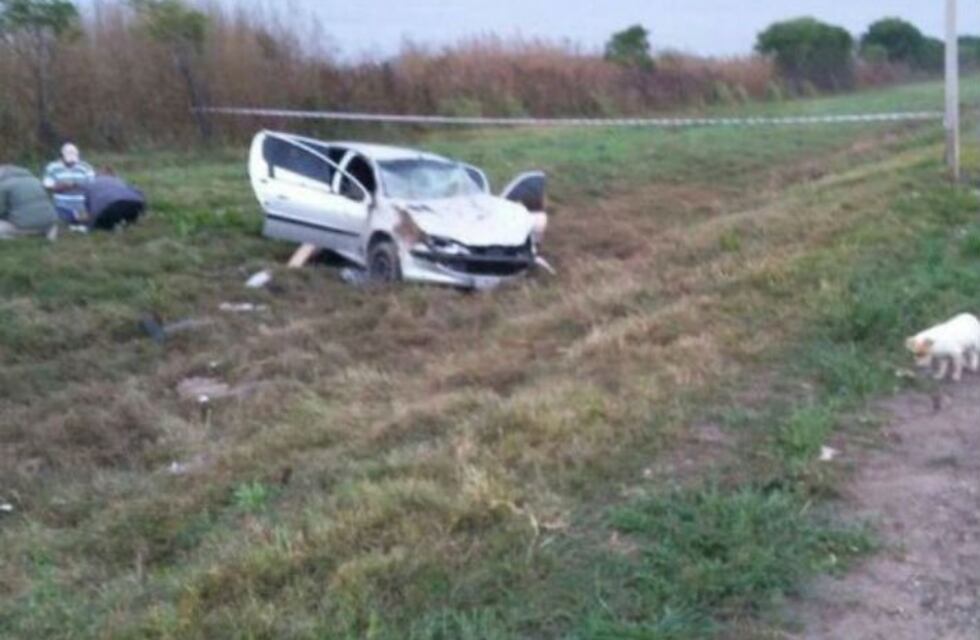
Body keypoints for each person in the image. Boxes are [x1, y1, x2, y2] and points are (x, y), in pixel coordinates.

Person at [0, 165, 58, 239]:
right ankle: (46, 234)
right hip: (48, 224)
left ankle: (17, 237)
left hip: (24, 225)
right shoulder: (36, 180)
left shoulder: (4, 185)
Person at [43, 143, 95, 224]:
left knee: (84, 219)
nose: (71, 162)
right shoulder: (52, 167)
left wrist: (79, 185)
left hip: (81, 206)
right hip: (61, 206)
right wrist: (62, 186)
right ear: (62, 156)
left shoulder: (86, 167)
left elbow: (93, 186)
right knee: (63, 218)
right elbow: (47, 186)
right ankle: (70, 221)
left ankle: (78, 221)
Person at [82, 167, 146, 230]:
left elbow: (90, 211)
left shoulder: (91, 185)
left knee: (101, 228)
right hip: (135, 203)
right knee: (129, 225)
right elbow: (139, 192)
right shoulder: (119, 181)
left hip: (110, 207)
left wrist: (90, 226)